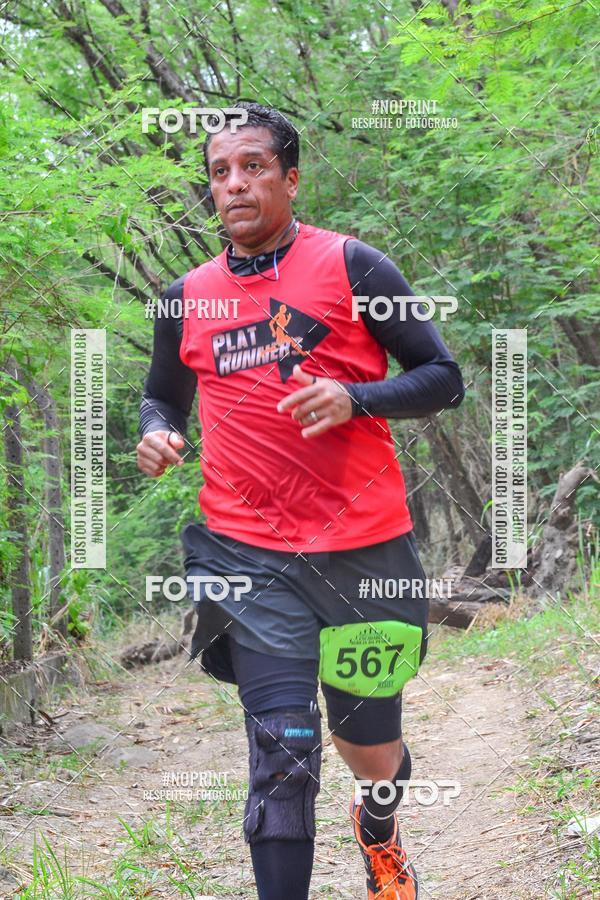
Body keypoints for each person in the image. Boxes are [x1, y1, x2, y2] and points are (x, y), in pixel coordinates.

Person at [137, 101, 465, 900]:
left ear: (290, 177)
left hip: (363, 551)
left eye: (252, 167)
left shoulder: (355, 267)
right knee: (282, 759)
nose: (235, 185)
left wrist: (357, 399)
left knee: (371, 749)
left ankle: (380, 832)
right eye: (220, 173)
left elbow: (443, 379)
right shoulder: (186, 297)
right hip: (248, 558)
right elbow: (160, 399)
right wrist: (157, 433)